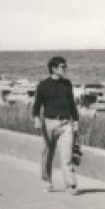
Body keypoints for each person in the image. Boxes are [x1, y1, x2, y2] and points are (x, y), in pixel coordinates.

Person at [32, 56, 81, 194]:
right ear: (53, 68)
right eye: (62, 67)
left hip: (66, 123)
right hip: (49, 123)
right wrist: (36, 117)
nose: (65, 69)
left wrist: (76, 120)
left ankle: (71, 184)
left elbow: (72, 104)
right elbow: (37, 104)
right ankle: (47, 181)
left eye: (65, 66)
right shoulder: (43, 85)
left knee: (67, 155)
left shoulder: (67, 84)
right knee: (47, 154)